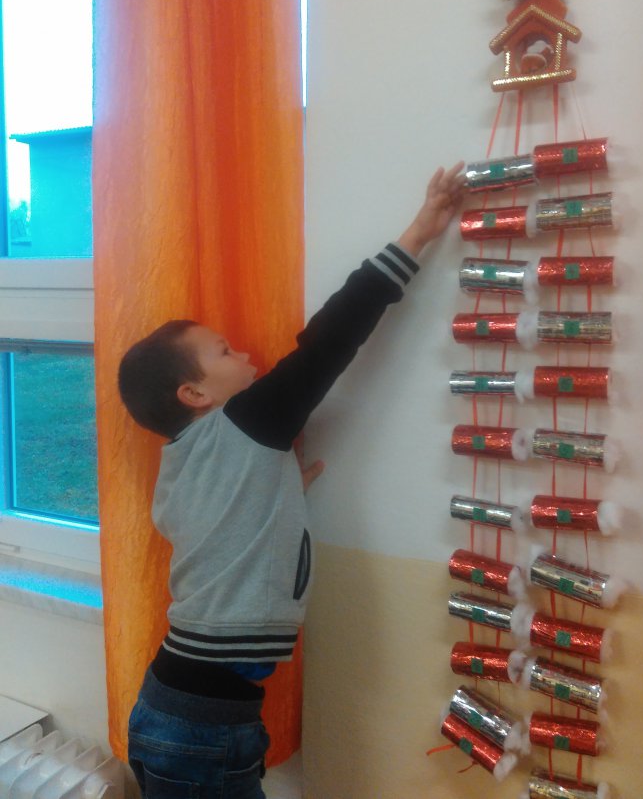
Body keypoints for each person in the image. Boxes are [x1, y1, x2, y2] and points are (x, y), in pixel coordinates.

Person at [117, 162, 465, 799]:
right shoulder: (245, 423)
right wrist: (420, 231)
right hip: (201, 726)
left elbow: (211, 525)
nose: (245, 354)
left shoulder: (184, 461)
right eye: (224, 352)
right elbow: (330, 340)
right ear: (194, 393)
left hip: (182, 712)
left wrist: (274, 494)